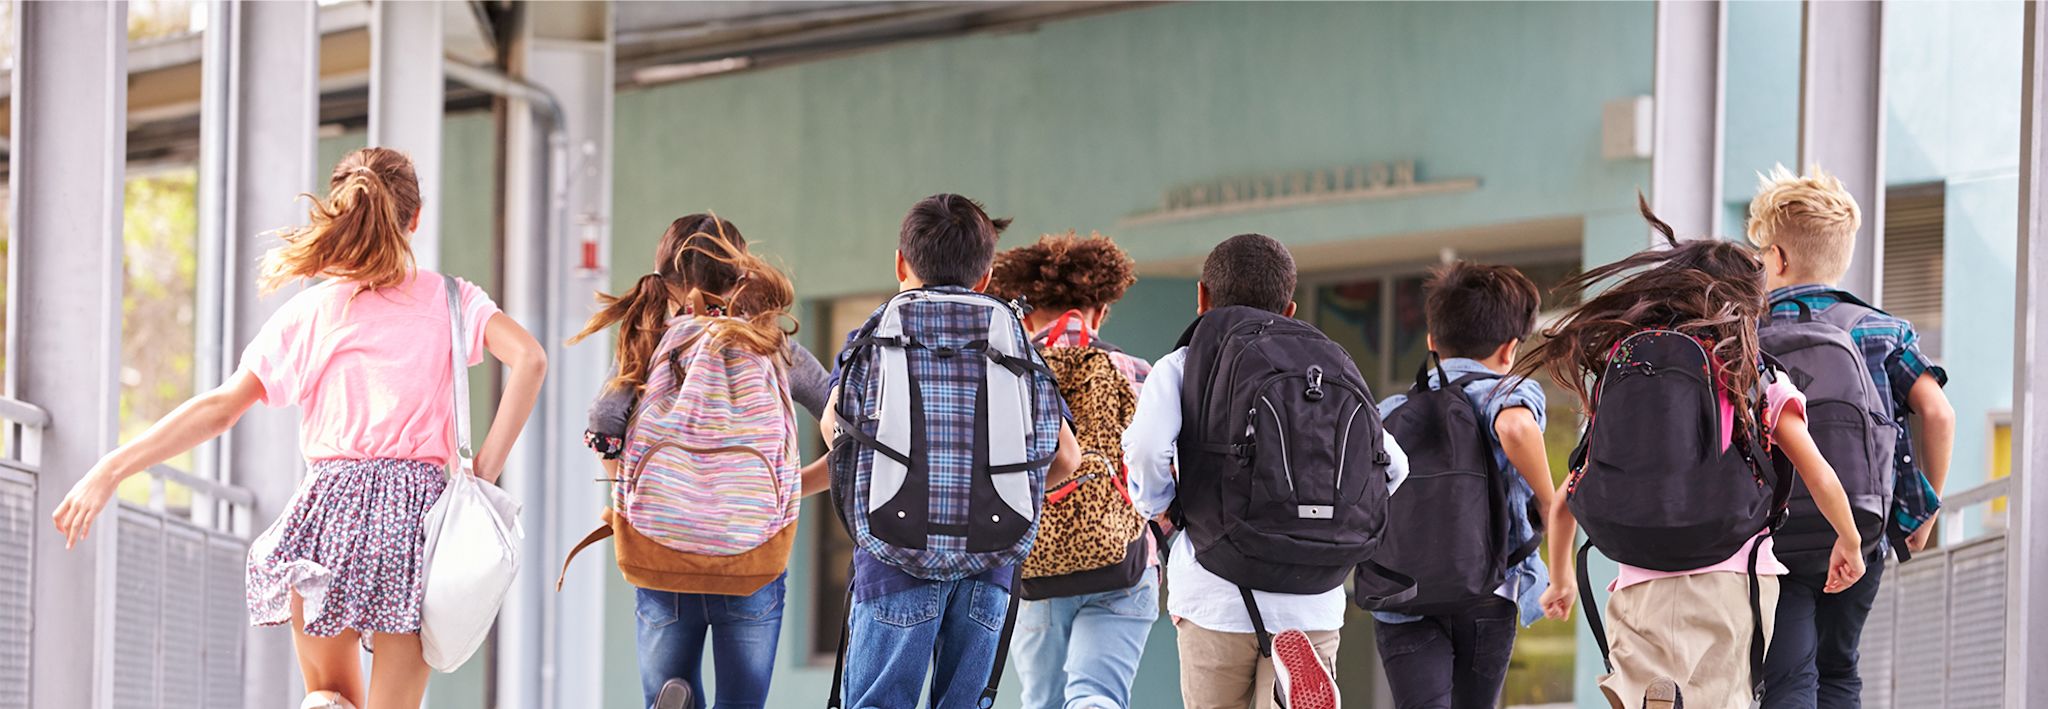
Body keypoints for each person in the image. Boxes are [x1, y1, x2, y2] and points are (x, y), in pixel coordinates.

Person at [50, 147, 547, 709]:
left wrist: (112, 466)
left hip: (327, 513)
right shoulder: (453, 301)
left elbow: (219, 408)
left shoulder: (312, 313)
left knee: (330, 699)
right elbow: (529, 359)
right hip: (418, 521)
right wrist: (480, 475)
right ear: (415, 218)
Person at [1531, 200, 1866, 709]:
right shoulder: (1755, 378)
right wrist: (1849, 539)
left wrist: (1559, 580)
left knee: (1644, 695)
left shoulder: (1623, 379)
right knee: (1721, 698)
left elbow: (1565, 499)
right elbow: (1817, 471)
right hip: (1730, 578)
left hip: (1636, 581)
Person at [1124, 233, 1410, 709]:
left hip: (1217, 589)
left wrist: (1159, 509)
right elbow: (1394, 466)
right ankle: (1287, 693)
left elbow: (1148, 447)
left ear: (1202, 298)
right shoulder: (1330, 365)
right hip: (1313, 598)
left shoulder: (1185, 364)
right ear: (1290, 309)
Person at [823, 194, 1083, 709]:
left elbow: (838, 434)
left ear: (901, 264)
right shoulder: (1015, 341)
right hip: (991, 561)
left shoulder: (872, 337)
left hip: (892, 561)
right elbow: (1066, 459)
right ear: (986, 276)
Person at [569, 214, 831, 709]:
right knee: (743, 702)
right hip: (752, 551)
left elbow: (604, 422)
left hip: (661, 548)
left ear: (664, 282)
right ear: (742, 276)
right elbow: (848, 429)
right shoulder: (772, 348)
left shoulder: (647, 341)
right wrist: (791, 487)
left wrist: (633, 493)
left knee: (663, 689)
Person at [1746, 165, 1955, 709]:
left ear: (1779, 259)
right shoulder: (1882, 329)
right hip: (1862, 528)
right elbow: (1938, 414)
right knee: (1839, 669)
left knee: (1788, 675)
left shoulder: (1745, 335)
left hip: (1772, 532)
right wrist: (1924, 508)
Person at [1371, 261, 1554, 709]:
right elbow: (1515, 430)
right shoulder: (1507, 392)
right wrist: (1551, 504)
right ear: (1510, 349)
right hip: (1488, 590)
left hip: (1402, 594)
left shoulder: (1391, 408)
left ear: (1432, 341)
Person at [986, 231, 1157, 709]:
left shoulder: (1006, 374)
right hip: (1123, 560)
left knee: (1042, 702)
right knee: (1097, 697)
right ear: (1099, 310)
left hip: (1034, 563)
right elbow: (1164, 469)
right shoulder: (1133, 371)